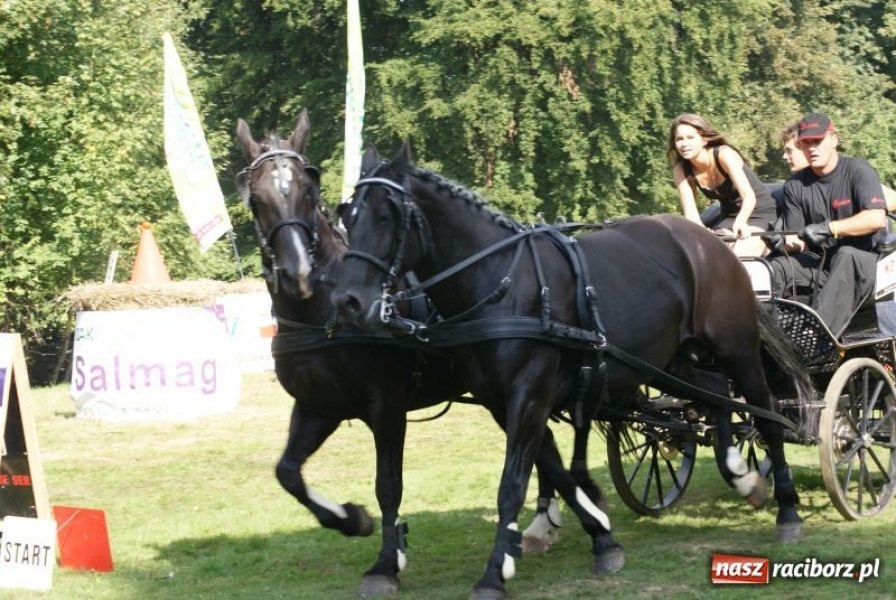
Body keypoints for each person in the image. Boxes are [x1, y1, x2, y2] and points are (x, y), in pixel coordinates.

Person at [767, 112, 888, 338]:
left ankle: (815, 337)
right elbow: (797, 243)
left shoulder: (858, 170)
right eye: (806, 143)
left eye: (817, 141)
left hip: (867, 266)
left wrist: (829, 228)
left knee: (846, 254)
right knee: (774, 266)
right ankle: (763, 336)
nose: (812, 148)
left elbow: (876, 219)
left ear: (834, 140)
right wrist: (780, 244)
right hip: (820, 267)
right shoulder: (794, 185)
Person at [668, 113, 777, 257]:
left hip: (759, 212)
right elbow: (691, 215)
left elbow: (749, 196)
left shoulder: (724, 155)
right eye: (679, 139)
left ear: (704, 140)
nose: (684, 144)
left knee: (738, 257)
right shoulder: (680, 170)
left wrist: (741, 220)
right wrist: (702, 234)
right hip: (729, 216)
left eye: (690, 137)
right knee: (707, 254)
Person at [781, 120, 896, 211]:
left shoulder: (851, 174)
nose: (784, 157)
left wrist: (865, 212)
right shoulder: (794, 187)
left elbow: (893, 198)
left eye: (789, 151)